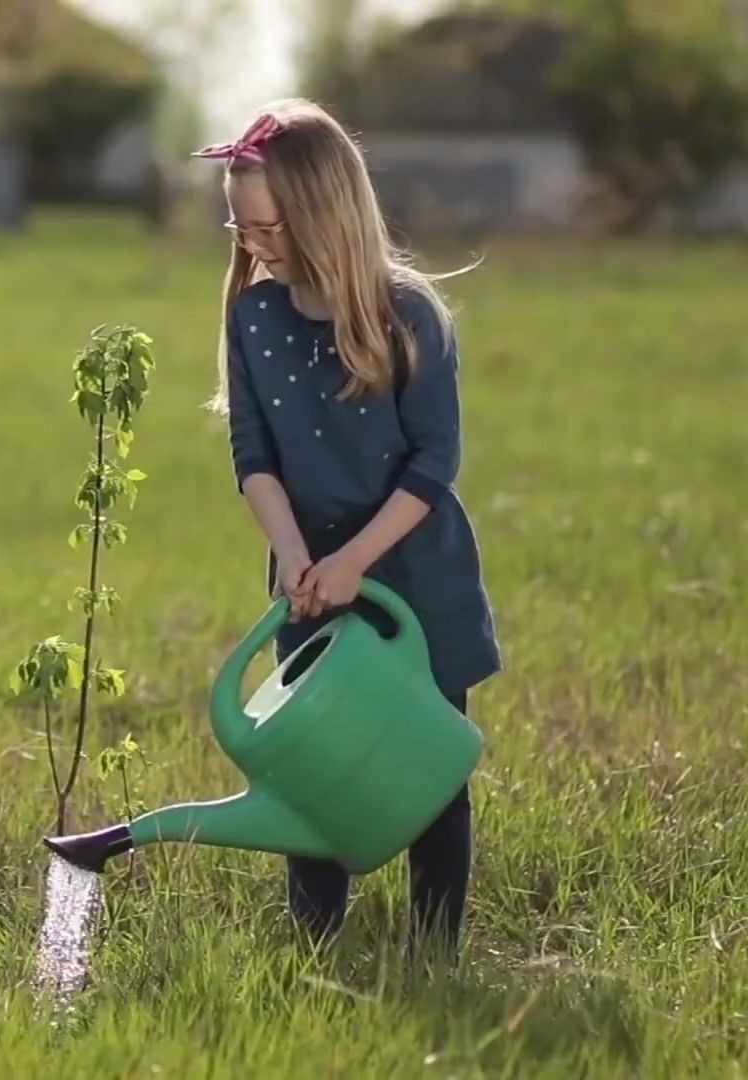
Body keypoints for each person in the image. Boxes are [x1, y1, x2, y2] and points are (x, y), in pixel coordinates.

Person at [193, 99, 502, 955]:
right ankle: (315, 944)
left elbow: (433, 465)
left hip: (413, 576)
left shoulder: (410, 315)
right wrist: (297, 555)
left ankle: (436, 947)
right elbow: (252, 454)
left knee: (429, 772)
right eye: (240, 225)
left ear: (325, 211)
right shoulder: (252, 317)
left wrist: (356, 560)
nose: (254, 243)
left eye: (269, 225)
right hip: (308, 585)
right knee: (315, 768)